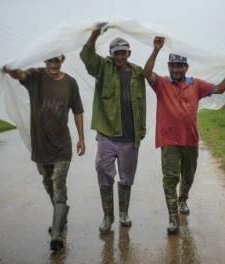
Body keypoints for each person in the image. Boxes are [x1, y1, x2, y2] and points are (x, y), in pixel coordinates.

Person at [143, 37, 225, 234]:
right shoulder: (161, 84)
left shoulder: (196, 85)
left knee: (188, 176)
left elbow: (219, 89)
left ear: (186, 67)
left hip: (190, 139)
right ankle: (173, 217)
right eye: (172, 66)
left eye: (179, 66)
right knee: (170, 177)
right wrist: (156, 50)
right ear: (168, 67)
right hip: (168, 139)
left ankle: (182, 199)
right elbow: (147, 73)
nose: (175, 69)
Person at [2, 55, 85, 251]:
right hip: (40, 146)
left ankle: (56, 234)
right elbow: (19, 74)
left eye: (57, 61)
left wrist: (81, 138)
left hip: (62, 146)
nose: (54, 65)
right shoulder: (35, 76)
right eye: (50, 61)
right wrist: (9, 68)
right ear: (45, 62)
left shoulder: (70, 83)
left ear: (62, 60)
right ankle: (61, 217)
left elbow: (78, 111)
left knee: (59, 183)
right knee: (48, 185)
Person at [80, 24, 146, 234]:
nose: (120, 56)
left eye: (123, 52)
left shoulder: (137, 72)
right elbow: (87, 55)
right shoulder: (103, 68)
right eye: (116, 52)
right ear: (111, 54)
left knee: (127, 178)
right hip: (107, 135)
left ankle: (123, 214)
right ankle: (107, 217)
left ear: (129, 53)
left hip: (130, 137)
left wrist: (141, 130)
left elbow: (143, 100)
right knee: (104, 174)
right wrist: (95, 33)